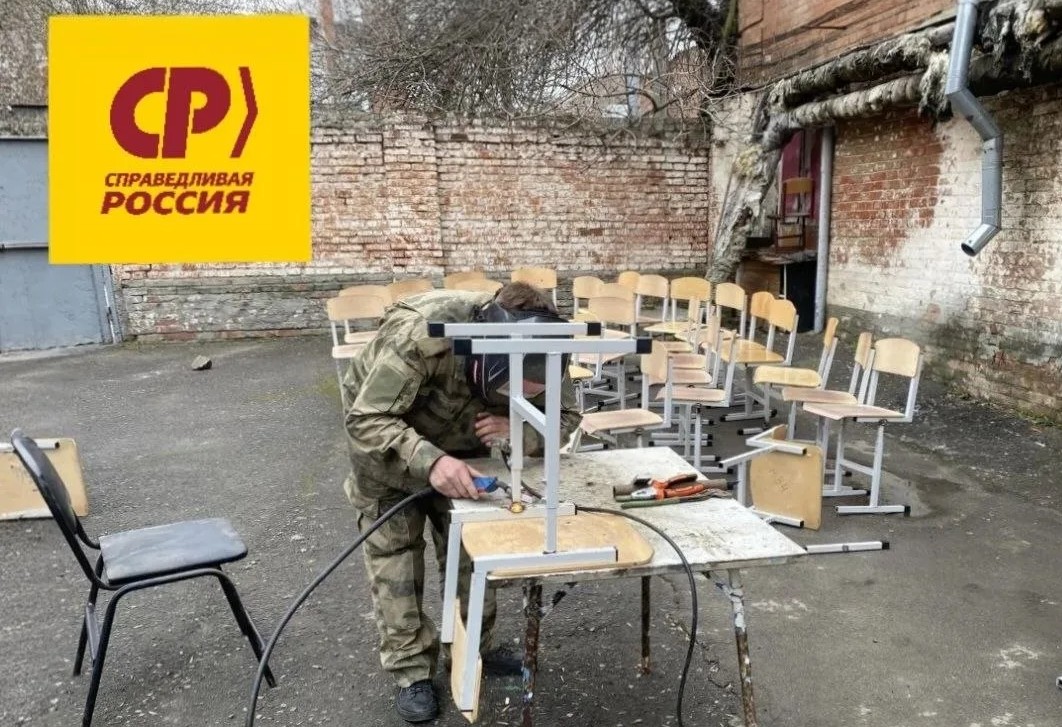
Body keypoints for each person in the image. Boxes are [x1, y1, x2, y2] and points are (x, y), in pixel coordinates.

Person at [341, 281, 582, 723]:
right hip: (388, 444)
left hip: (468, 451)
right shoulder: (424, 334)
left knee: (473, 553)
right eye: (510, 388)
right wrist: (430, 461)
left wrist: (521, 430)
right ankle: (411, 670)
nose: (520, 396)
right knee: (396, 558)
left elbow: (565, 417)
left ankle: (474, 650)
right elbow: (366, 419)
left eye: (528, 392)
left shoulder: (545, 346)